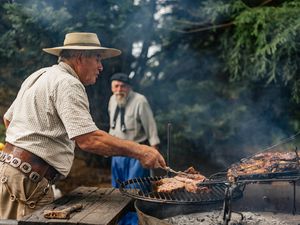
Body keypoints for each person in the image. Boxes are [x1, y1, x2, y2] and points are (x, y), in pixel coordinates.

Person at [0, 32, 166, 220]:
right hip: (27, 181)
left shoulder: (38, 75)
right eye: (97, 59)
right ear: (80, 57)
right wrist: (142, 151)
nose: (101, 67)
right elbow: (89, 140)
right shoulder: (68, 83)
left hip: (9, 172)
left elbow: (9, 120)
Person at [108, 73, 160, 225]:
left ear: (129, 87)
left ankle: (135, 223)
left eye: (123, 86)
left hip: (137, 155)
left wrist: (153, 154)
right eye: (116, 86)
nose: (119, 89)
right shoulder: (112, 100)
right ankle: (119, 222)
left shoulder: (140, 101)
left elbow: (151, 129)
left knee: (135, 192)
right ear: (112, 87)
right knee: (116, 192)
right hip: (117, 154)